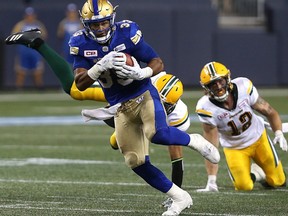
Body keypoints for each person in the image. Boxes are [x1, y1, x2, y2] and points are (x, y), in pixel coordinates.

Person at [5, 2, 220, 215]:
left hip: (143, 93)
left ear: (112, 20)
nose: (100, 29)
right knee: (134, 160)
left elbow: (156, 62)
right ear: (86, 23)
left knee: (158, 133)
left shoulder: (127, 33)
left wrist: (142, 73)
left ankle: (195, 141)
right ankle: (179, 197)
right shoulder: (80, 41)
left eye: (104, 23)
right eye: (95, 24)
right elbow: (79, 83)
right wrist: (99, 66)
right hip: (119, 104)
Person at [195, 61, 287, 192]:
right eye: (212, 84)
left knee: (278, 181)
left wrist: (278, 132)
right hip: (234, 147)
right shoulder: (205, 107)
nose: (219, 87)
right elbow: (210, 146)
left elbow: (269, 111)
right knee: (244, 187)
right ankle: (257, 173)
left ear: (227, 78)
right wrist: (211, 180)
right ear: (206, 87)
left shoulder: (244, 86)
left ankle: (258, 172)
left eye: (220, 81)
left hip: (258, 137)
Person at [10, 7, 48, 90]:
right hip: (24, 51)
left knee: (38, 71)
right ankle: (19, 88)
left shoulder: (38, 25)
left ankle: (39, 88)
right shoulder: (20, 25)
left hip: (35, 51)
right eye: (28, 15)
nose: (30, 17)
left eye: (31, 15)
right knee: (21, 71)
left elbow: (44, 35)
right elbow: (13, 35)